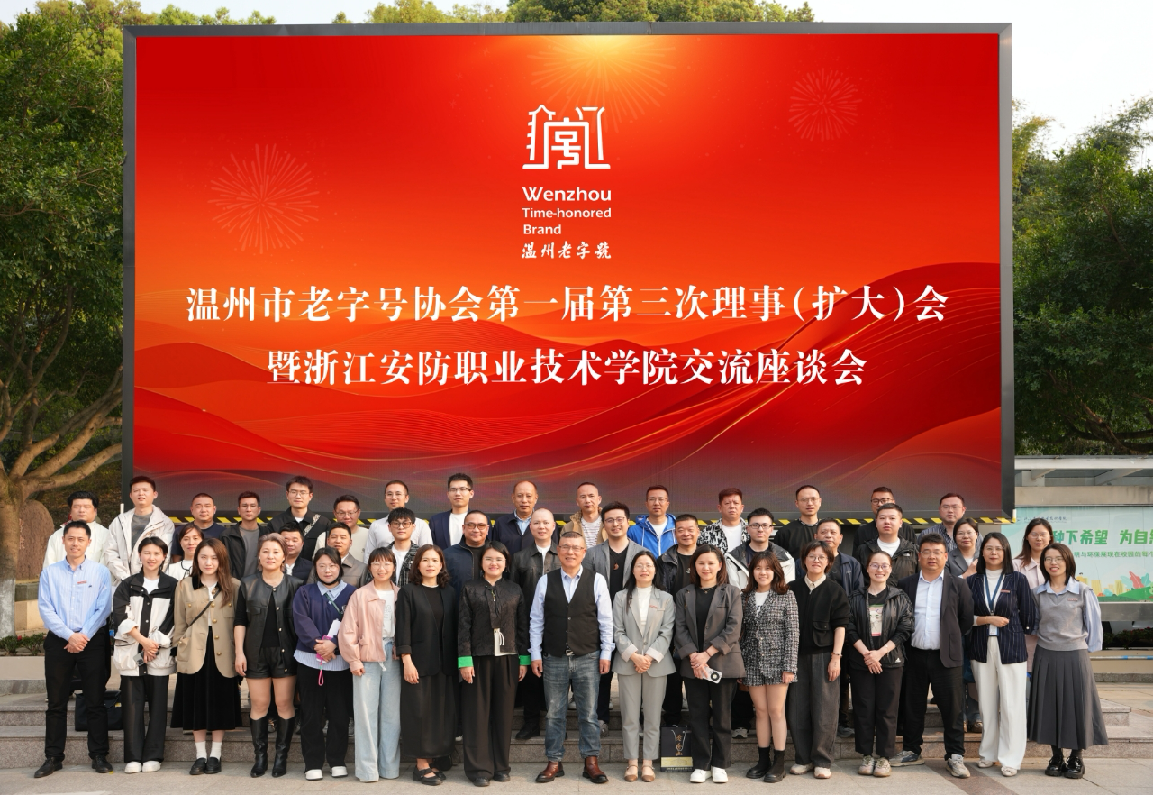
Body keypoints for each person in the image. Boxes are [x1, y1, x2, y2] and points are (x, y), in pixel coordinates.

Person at [530, 530, 614, 785]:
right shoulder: (546, 580)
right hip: (553, 657)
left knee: (588, 713)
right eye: (565, 547)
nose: (570, 552)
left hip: (588, 656)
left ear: (583, 552)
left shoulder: (596, 580)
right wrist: (535, 653)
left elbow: (606, 620)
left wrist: (606, 652)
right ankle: (554, 761)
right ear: (559, 550)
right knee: (554, 713)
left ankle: (591, 761)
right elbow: (536, 620)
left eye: (576, 547)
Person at [35, 520, 114, 779]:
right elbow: (46, 608)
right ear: (63, 540)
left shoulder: (100, 572)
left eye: (81, 539)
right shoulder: (50, 573)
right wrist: (69, 635)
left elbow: (103, 608)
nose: (75, 543)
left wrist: (82, 636)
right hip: (59, 640)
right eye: (71, 538)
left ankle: (99, 755)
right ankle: (53, 757)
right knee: (56, 702)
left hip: (92, 641)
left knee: (95, 700)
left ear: (89, 542)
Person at [892, 533, 974, 778]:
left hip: (946, 657)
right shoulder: (906, 584)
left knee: (952, 709)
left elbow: (965, 620)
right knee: (912, 705)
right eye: (926, 552)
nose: (932, 556)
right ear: (919, 556)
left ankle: (955, 755)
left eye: (937, 552)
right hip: (914, 655)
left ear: (945, 556)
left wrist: (948, 639)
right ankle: (911, 750)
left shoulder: (958, 585)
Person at [1028, 543, 1108, 779]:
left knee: (1077, 706)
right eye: (1048, 559)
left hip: (1075, 656)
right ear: (1043, 564)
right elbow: (1034, 625)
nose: (1053, 563)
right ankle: (1056, 756)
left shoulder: (1082, 591)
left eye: (1059, 559)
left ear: (1068, 562)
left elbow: (1094, 625)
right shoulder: (1037, 593)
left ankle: (1076, 757)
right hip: (1046, 655)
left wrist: (1085, 649)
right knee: (1049, 706)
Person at [458, 543, 530, 786]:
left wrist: (523, 659)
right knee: (477, 714)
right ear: (481, 562)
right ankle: (479, 769)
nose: (493, 563)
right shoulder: (470, 588)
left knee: (504, 713)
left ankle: (501, 765)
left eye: (499, 559)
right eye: (488, 559)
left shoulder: (514, 589)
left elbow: (522, 626)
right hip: (477, 658)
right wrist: (464, 660)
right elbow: (463, 626)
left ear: (506, 563)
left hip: (508, 657)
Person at [966, 532, 1037, 777]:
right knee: (986, 704)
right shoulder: (972, 581)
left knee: (1012, 704)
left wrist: (1013, 631)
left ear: (1006, 551)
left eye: (998, 548)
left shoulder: (1017, 579)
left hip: (1011, 647)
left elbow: (1029, 616)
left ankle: (1011, 758)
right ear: (982, 552)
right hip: (981, 647)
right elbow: (964, 617)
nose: (994, 552)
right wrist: (987, 620)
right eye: (989, 548)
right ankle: (987, 753)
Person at [170, 538, 242, 775]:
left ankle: (215, 754)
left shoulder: (234, 586)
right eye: (203, 557)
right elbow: (179, 623)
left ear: (222, 560)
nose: (208, 562)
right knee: (196, 704)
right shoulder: (184, 585)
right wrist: (178, 651)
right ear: (196, 559)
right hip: (193, 651)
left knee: (220, 703)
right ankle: (200, 754)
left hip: (224, 652)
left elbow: (240, 624)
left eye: (214, 558)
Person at [673, 544, 744, 783]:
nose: (706, 567)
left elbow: (734, 628)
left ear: (720, 566)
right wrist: (695, 656)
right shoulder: (684, 594)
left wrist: (708, 653)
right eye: (701, 563)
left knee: (723, 717)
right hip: (694, 666)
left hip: (723, 663)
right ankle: (701, 764)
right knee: (697, 715)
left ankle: (720, 764)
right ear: (694, 566)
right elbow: (680, 628)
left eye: (711, 563)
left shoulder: (732, 592)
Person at [234, 534, 302, 778]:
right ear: (259, 556)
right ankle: (260, 757)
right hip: (256, 654)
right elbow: (240, 621)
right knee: (259, 704)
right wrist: (239, 652)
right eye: (265, 551)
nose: (270, 556)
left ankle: (281, 758)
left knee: (284, 704)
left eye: (275, 551)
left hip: (286, 654)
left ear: (284, 556)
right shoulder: (247, 584)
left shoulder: (296, 585)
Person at [845, 550, 913, 779]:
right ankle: (866, 755)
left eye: (884, 565)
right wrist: (867, 654)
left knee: (887, 710)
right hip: (861, 661)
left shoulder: (900, 597)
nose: (879, 569)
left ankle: (884, 757)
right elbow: (848, 626)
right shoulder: (855, 597)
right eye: (875, 565)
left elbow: (905, 628)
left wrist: (880, 653)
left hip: (891, 661)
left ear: (890, 569)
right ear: (867, 568)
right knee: (863, 709)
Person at [112, 536, 178, 774]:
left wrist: (154, 644)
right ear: (139, 555)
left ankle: (153, 755)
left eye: (157, 553)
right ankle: (133, 756)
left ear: (164, 556)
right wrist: (143, 642)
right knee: (131, 706)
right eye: (147, 553)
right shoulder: (127, 584)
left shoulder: (173, 585)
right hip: (132, 652)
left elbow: (174, 617)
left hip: (159, 653)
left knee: (159, 707)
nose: (151, 557)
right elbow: (120, 615)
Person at [787, 540, 850, 779]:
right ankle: (802, 758)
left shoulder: (835, 590)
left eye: (821, 557)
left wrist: (836, 657)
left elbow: (840, 626)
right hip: (795, 657)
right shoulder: (791, 588)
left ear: (828, 562)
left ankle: (823, 760)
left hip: (825, 656)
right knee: (797, 709)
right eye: (811, 556)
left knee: (825, 710)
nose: (816, 560)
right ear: (803, 560)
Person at [397, 544, 459, 785]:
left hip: (445, 664)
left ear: (441, 564)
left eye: (435, 560)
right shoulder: (408, 592)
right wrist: (407, 660)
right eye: (425, 560)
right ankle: (421, 764)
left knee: (441, 713)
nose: (430, 564)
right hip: (418, 664)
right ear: (417, 565)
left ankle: (434, 759)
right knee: (418, 713)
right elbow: (402, 627)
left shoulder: (450, 592)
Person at [340, 547, 402, 782]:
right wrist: (353, 659)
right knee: (365, 714)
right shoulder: (360, 595)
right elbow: (348, 629)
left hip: (394, 657)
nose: (381, 568)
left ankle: (389, 767)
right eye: (376, 563)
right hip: (366, 656)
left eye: (387, 563)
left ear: (394, 567)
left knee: (392, 715)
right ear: (370, 567)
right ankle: (367, 770)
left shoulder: (401, 594)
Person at [613, 549, 675, 783]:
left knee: (652, 716)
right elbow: (617, 630)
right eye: (639, 565)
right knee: (629, 716)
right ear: (633, 570)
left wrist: (648, 657)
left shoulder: (665, 598)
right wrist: (634, 656)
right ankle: (631, 763)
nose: (644, 569)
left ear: (655, 570)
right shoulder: (621, 597)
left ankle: (648, 762)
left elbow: (667, 631)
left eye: (648, 565)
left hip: (656, 664)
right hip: (628, 663)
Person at [293, 546, 355, 780]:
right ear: (315, 568)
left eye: (332, 565)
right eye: (322, 566)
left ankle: (337, 760)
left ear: (340, 567)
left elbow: (354, 623)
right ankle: (313, 763)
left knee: (339, 713)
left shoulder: (352, 593)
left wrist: (335, 645)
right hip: (310, 661)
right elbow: (301, 621)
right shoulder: (304, 592)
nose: (327, 570)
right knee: (311, 713)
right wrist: (319, 646)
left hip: (340, 663)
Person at [585, 501, 644, 736]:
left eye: (620, 519)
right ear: (603, 524)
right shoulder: (592, 554)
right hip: (600, 622)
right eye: (609, 520)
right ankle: (600, 718)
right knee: (602, 671)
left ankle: (637, 719)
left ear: (628, 522)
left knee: (634, 672)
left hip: (634, 622)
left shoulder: (642, 553)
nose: (615, 524)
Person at [739, 551, 798, 784]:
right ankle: (762, 760)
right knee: (760, 712)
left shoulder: (786, 595)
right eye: (758, 568)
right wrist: (740, 666)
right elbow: (742, 634)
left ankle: (779, 762)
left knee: (776, 711)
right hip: (752, 662)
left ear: (775, 572)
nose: (762, 572)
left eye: (767, 568)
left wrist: (789, 666)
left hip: (778, 663)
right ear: (752, 572)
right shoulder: (745, 597)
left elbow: (793, 633)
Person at [510, 508, 560, 740]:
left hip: (557, 624)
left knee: (556, 675)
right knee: (531, 674)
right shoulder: (519, 558)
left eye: (546, 523)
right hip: (528, 624)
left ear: (553, 526)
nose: (541, 527)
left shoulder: (563, 554)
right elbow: (513, 592)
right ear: (530, 527)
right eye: (537, 523)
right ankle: (530, 723)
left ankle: (555, 723)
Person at [816, 518, 864, 739]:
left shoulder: (851, 564)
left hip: (842, 629)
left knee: (842, 678)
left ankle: (842, 721)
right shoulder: (805, 561)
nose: (828, 535)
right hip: (815, 631)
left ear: (841, 538)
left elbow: (858, 595)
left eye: (833, 532)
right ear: (816, 536)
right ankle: (817, 721)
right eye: (824, 531)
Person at [657, 513, 700, 725]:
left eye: (690, 529)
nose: (685, 533)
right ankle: (672, 719)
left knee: (697, 674)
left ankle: (700, 720)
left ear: (698, 531)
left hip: (700, 625)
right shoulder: (665, 560)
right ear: (674, 533)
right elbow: (660, 592)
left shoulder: (708, 556)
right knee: (672, 674)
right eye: (680, 530)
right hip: (672, 624)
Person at [105, 475, 175, 586]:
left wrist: (148, 580)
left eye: (145, 490)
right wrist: (126, 579)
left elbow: (165, 556)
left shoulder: (165, 523)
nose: (141, 493)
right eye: (136, 490)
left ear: (155, 494)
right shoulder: (119, 521)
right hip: (123, 584)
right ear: (130, 495)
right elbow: (110, 552)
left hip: (153, 585)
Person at [948, 516, 983, 731]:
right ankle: (959, 714)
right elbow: (944, 586)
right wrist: (967, 574)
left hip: (982, 620)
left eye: (969, 532)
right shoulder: (947, 557)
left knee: (977, 669)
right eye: (960, 533)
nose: (965, 536)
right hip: (956, 620)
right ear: (954, 537)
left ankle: (975, 715)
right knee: (958, 669)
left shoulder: (986, 555)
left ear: (977, 534)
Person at [1013, 517, 1054, 673]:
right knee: (1027, 670)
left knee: (1049, 672)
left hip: (1052, 628)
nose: (1039, 538)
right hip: (1024, 629)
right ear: (1027, 537)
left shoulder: (1057, 564)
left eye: (1043, 534)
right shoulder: (1016, 565)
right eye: (1034, 534)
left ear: (1050, 537)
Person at [724, 508, 794, 589]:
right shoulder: (733, 558)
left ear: (771, 529)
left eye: (765, 525)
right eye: (755, 525)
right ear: (747, 529)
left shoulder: (786, 559)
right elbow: (734, 591)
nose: (760, 529)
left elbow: (785, 590)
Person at [268, 475, 331, 562]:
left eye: (303, 492)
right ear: (287, 494)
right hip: (283, 570)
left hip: (313, 570)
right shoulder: (275, 523)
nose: (298, 496)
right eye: (293, 492)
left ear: (310, 496)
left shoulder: (323, 523)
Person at [446, 509, 507, 596]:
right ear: (463, 528)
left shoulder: (499, 554)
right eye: (471, 525)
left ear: (487, 529)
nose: (476, 530)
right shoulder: (448, 555)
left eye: (481, 526)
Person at [854, 503, 918, 586]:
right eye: (882, 518)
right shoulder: (863, 550)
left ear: (900, 523)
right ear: (876, 522)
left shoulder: (914, 550)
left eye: (892, 518)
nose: (887, 522)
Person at [42, 490, 108, 568]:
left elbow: (106, 567)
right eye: (76, 507)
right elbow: (49, 566)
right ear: (70, 511)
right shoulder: (57, 535)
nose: (81, 510)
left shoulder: (106, 535)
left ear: (95, 511)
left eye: (86, 507)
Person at [365, 479, 433, 552]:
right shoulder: (376, 526)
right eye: (389, 494)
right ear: (385, 499)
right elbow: (369, 556)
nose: (393, 498)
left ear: (406, 498)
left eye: (398, 494)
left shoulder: (421, 525)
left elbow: (427, 553)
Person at [307, 521, 368, 587]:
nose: (338, 541)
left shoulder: (362, 568)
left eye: (343, 537)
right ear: (328, 541)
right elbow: (308, 591)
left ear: (350, 542)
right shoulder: (319, 565)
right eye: (334, 537)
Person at [221, 491, 265, 579]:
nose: (248, 509)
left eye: (252, 506)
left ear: (259, 510)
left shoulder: (267, 534)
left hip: (262, 585)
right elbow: (223, 566)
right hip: (235, 585)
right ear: (239, 510)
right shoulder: (227, 536)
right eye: (244, 506)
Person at [314, 494, 371, 561]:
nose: (347, 517)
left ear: (358, 512)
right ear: (335, 513)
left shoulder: (369, 535)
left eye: (351, 512)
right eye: (341, 513)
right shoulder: (324, 538)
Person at [774, 485, 822, 559]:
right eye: (804, 500)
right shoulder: (785, 532)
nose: (809, 503)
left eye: (813, 499)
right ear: (796, 503)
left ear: (820, 501)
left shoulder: (829, 531)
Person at [627, 485, 676, 555]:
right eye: (652, 499)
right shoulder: (633, 531)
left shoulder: (677, 528)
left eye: (661, 499)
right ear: (646, 504)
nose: (656, 503)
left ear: (667, 504)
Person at [493, 480, 540, 554]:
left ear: (535, 498)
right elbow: (494, 552)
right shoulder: (501, 523)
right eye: (519, 496)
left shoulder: (546, 524)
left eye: (528, 496)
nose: (524, 500)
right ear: (513, 498)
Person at [431, 472, 475, 550]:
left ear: (471, 493)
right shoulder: (436, 521)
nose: (457, 493)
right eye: (453, 489)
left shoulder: (482, 520)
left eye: (462, 489)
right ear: (448, 494)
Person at [699, 487, 749, 553]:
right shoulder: (707, 532)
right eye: (727, 503)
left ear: (741, 508)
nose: (732, 506)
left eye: (736, 503)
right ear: (720, 508)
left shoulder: (751, 530)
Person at [383, 506, 420, 587]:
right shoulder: (381, 554)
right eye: (396, 523)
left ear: (413, 527)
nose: (401, 527)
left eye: (405, 524)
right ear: (389, 527)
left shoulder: (421, 554)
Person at [571, 481, 604, 548]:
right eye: (583, 497)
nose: (587, 500)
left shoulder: (610, 523)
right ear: (577, 502)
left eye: (591, 496)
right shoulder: (569, 527)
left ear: (599, 499)